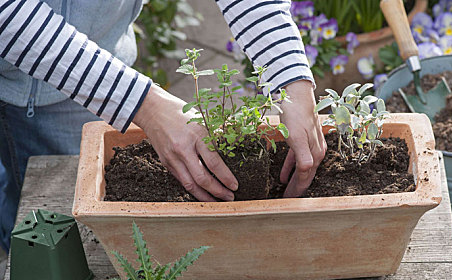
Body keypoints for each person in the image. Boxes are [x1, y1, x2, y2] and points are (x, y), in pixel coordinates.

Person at [0, 0, 326, 253]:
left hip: (85, 54)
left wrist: (289, 75)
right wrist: (146, 106)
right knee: (38, 220)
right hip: (32, 75)